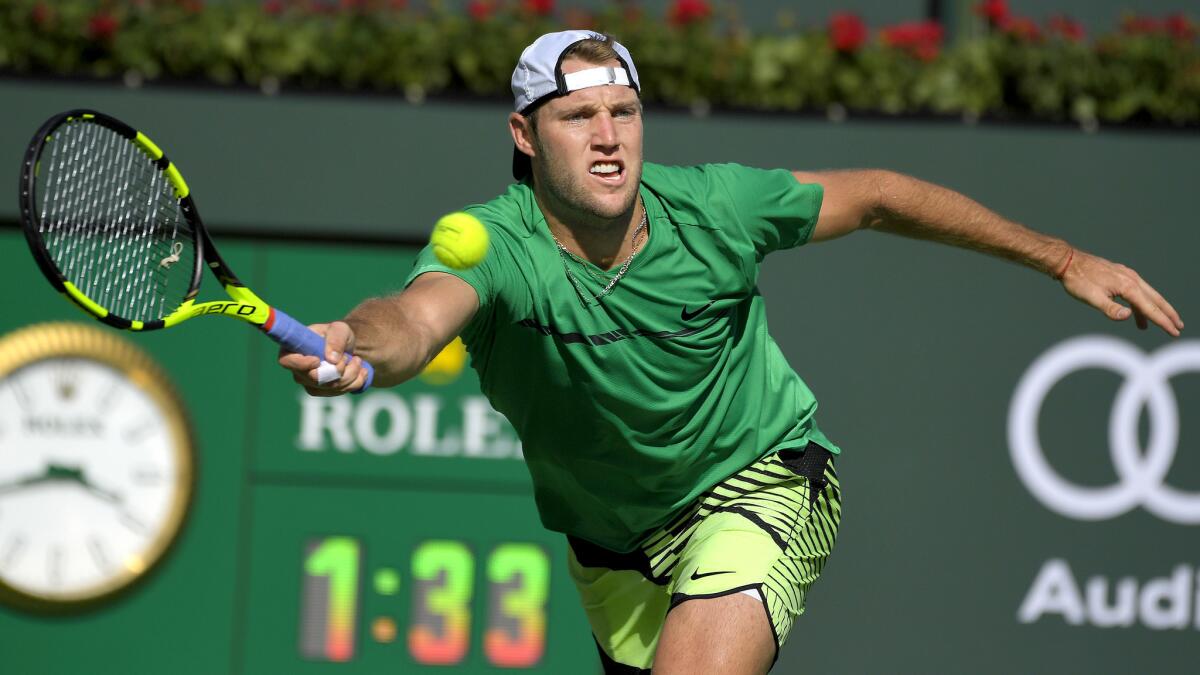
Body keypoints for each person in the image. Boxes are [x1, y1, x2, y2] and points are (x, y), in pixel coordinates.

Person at [278, 30, 1183, 674]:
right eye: (578, 116)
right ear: (524, 135)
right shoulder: (494, 244)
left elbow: (877, 194)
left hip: (762, 478)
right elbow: (415, 318)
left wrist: (1065, 259)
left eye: (625, 112)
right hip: (611, 546)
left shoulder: (715, 206)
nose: (608, 137)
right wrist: (356, 341)